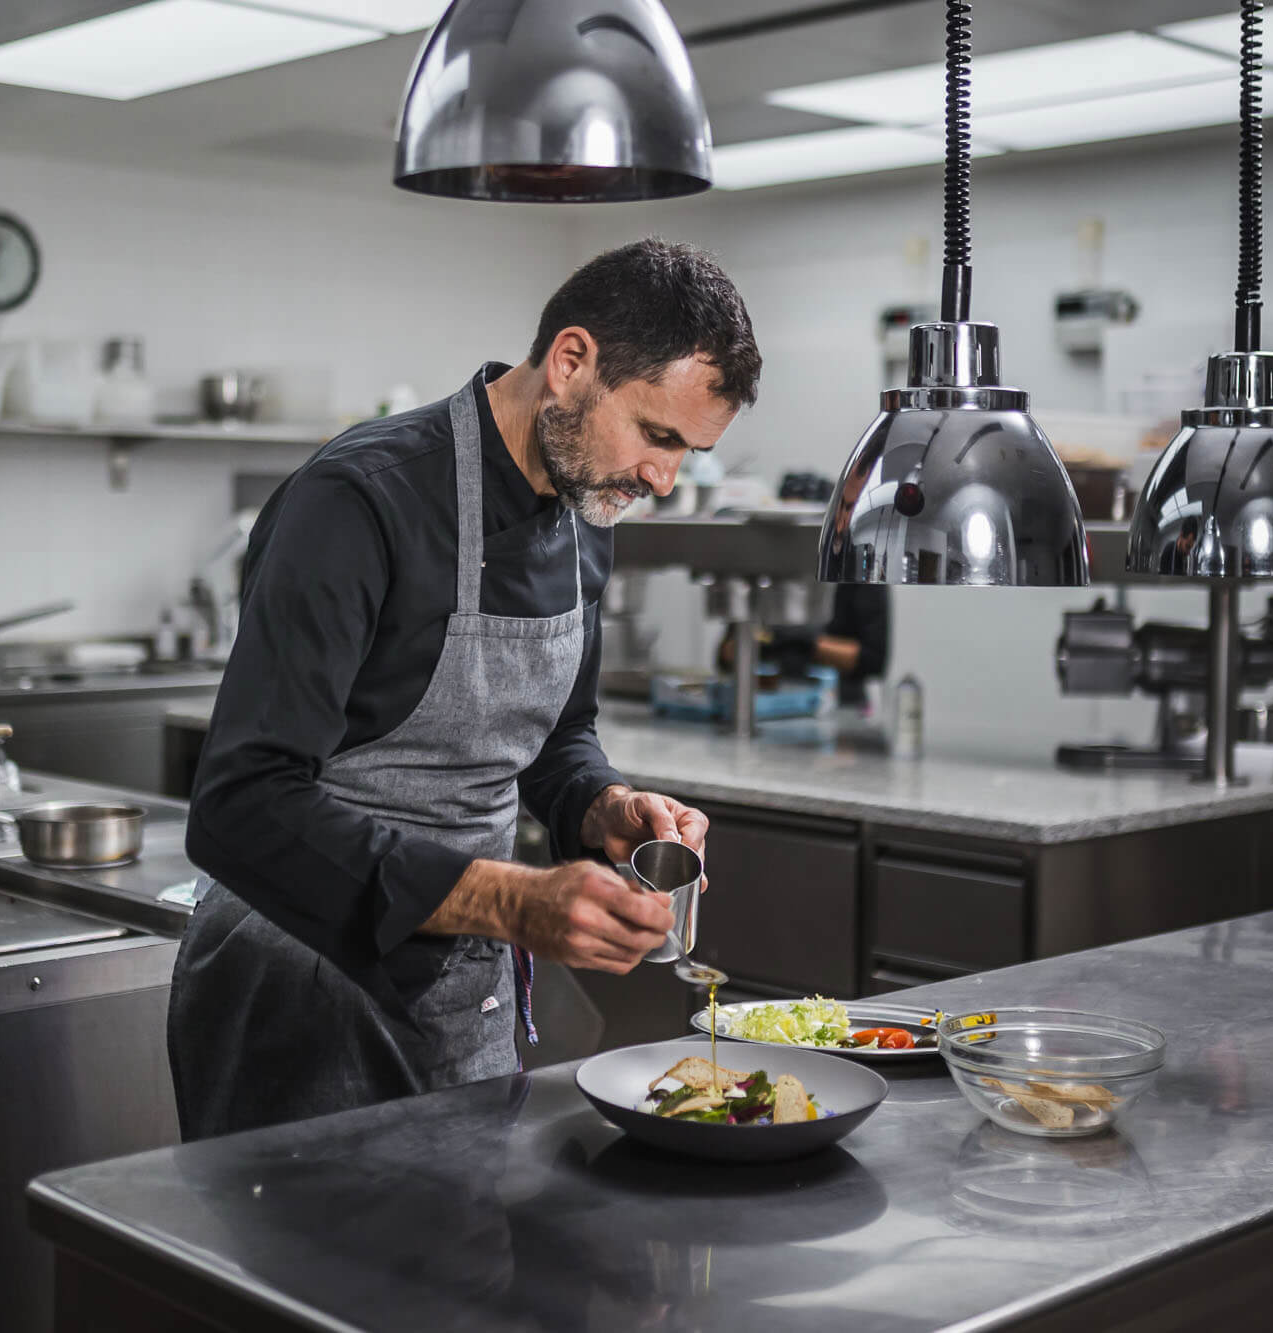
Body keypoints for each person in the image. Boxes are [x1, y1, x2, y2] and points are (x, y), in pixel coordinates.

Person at [169, 239, 763, 1139]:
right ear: (571, 362)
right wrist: (512, 901)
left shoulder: (586, 515)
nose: (663, 479)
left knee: (471, 1228)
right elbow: (238, 806)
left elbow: (556, 739)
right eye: (657, 435)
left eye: (690, 450)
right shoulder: (358, 500)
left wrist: (603, 804)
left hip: (461, 988)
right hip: (297, 986)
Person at [720, 584, 891, 707]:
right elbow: (724, 655)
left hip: (839, 707)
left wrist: (803, 641)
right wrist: (755, 642)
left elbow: (873, 659)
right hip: (764, 705)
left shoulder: (856, 573)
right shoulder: (764, 575)